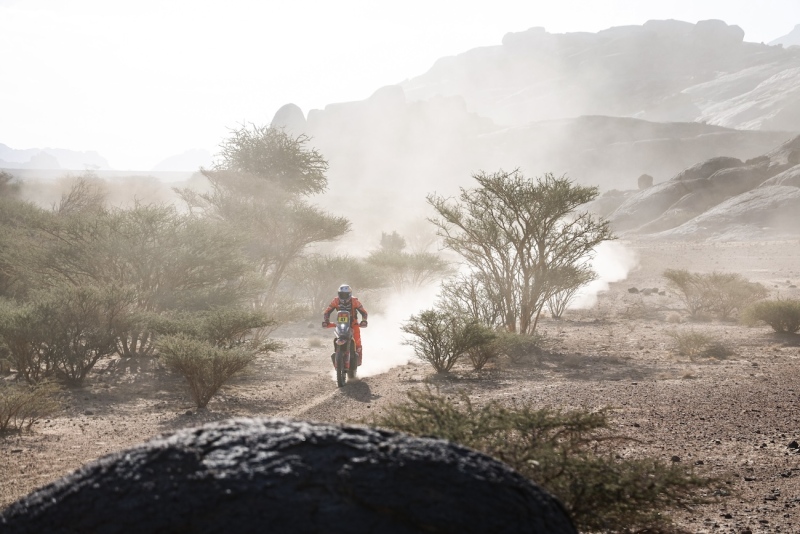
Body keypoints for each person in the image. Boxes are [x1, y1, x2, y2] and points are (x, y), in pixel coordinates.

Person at [322, 284, 368, 366]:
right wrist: (326, 321)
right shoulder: (335, 301)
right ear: (338, 294)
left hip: (353, 324)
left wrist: (364, 321)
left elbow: (363, 312)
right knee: (336, 337)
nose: (343, 296)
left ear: (349, 294)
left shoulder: (354, 301)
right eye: (341, 294)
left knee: (357, 341)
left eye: (345, 295)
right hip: (340, 324)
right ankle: (337, 354)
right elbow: (327, 311)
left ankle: (358, 360)